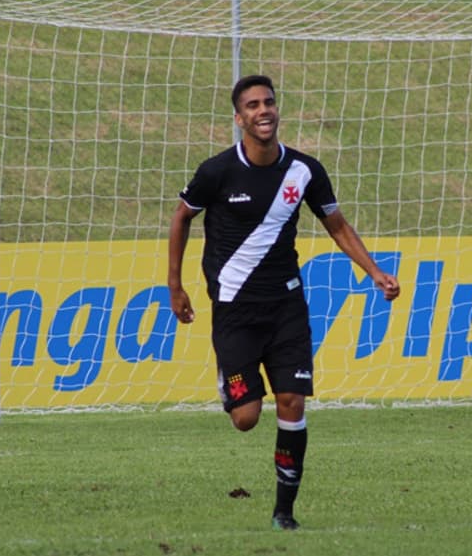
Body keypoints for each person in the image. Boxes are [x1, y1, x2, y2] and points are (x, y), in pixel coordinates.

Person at [168, 74, 401, 529]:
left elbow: (336, 224)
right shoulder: (217, 171)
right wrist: (175, 286)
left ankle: (284, 512)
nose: (263, 111)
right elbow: (181, 219)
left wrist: (374, 272)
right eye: (252, 105)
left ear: (277, 111)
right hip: (234, 309)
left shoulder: (304, 171)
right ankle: (230, 378)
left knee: (292, 400)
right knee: (246, 418)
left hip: (286, 306)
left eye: (269, 103)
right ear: (239, 118)